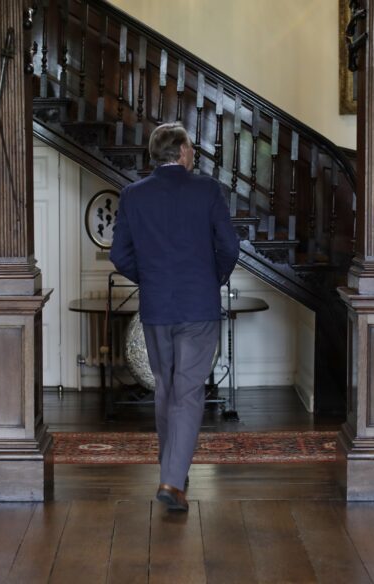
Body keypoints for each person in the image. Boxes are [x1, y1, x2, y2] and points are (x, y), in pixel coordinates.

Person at [109, 123, 239, 512]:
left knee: (166, 389)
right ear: (182, 152)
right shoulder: (207, 190)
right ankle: (172, 480)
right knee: (187, 392)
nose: (193, 155)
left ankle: (173, 473)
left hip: (157, 307)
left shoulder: (133, 195)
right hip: (198, 307)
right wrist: (211, 278)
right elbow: (229, 247)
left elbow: (120, 255)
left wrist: (150, 278)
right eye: (191, 149)